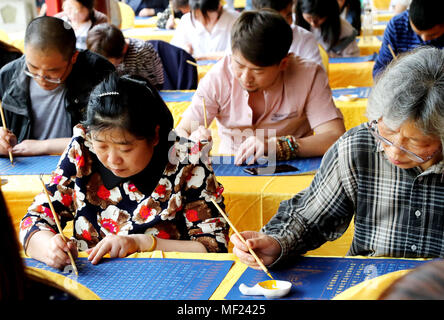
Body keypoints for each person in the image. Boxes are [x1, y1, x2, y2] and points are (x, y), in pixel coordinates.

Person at [231, 47, 444, 270]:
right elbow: (310, 216)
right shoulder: (360, 146)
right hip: (369, 282)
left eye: (416, 142)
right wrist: (276, 241)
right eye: (388, 133)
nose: (394, 152)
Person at [19, 73, 228, 270]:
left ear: (154, 136)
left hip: (166, 280)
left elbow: (213, 245)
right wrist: (48, 248)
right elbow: (35, 219)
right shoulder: (83, 148)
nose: (112, 160)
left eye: (125, 148)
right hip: (93, 279)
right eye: (101, 146)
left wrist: (144, 243)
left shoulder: (188, 160)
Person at [175, 10, 345, 165]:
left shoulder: (309, 76)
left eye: (258, 70)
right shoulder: (218, 78)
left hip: (293, 168)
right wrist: (191, 142)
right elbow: (182, 131)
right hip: (232, 168)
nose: (245, 77)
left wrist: (280, 146)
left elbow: (334, 136)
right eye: (239, 65)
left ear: (283, 64)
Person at [0, 16, 114, 157]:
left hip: (80, 165)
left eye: (52, 71)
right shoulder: (8, 75)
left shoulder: (98, 72)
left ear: (74, 57)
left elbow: (111, 135)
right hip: (22, 168)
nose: (41, 78)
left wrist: (44, 146)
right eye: (33, 67)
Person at [373, 0, 444, 77]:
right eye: (418, 33)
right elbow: (380, 70)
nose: (424, 39)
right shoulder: (397, 26)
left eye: (433, 35)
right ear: (409, 18)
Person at [86, 23, 164, 89]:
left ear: (124, 50)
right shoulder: (100, 54)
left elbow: (152, 88)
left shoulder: (141, 52)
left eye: (107, 61)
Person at [252, 0, 323, 67]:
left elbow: (318, 76)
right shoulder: (250, 38)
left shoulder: (305, 39)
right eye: (276, 20)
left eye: (289, 15)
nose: (285, 24)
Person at [170, 0, 240, 60]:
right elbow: (174, 49)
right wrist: (184, 50)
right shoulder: (186, 20)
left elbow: (237, 54)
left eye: (207, 17)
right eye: (197, 17)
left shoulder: (236, 20)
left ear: (219, 7)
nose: (202, 22)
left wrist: (203, 57)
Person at [295, 0, 359, 57]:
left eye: (318, 19)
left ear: (330, 13)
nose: (313, 23)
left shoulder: (346, 31)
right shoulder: (297, 27)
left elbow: (352, 61)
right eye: (309, 18)